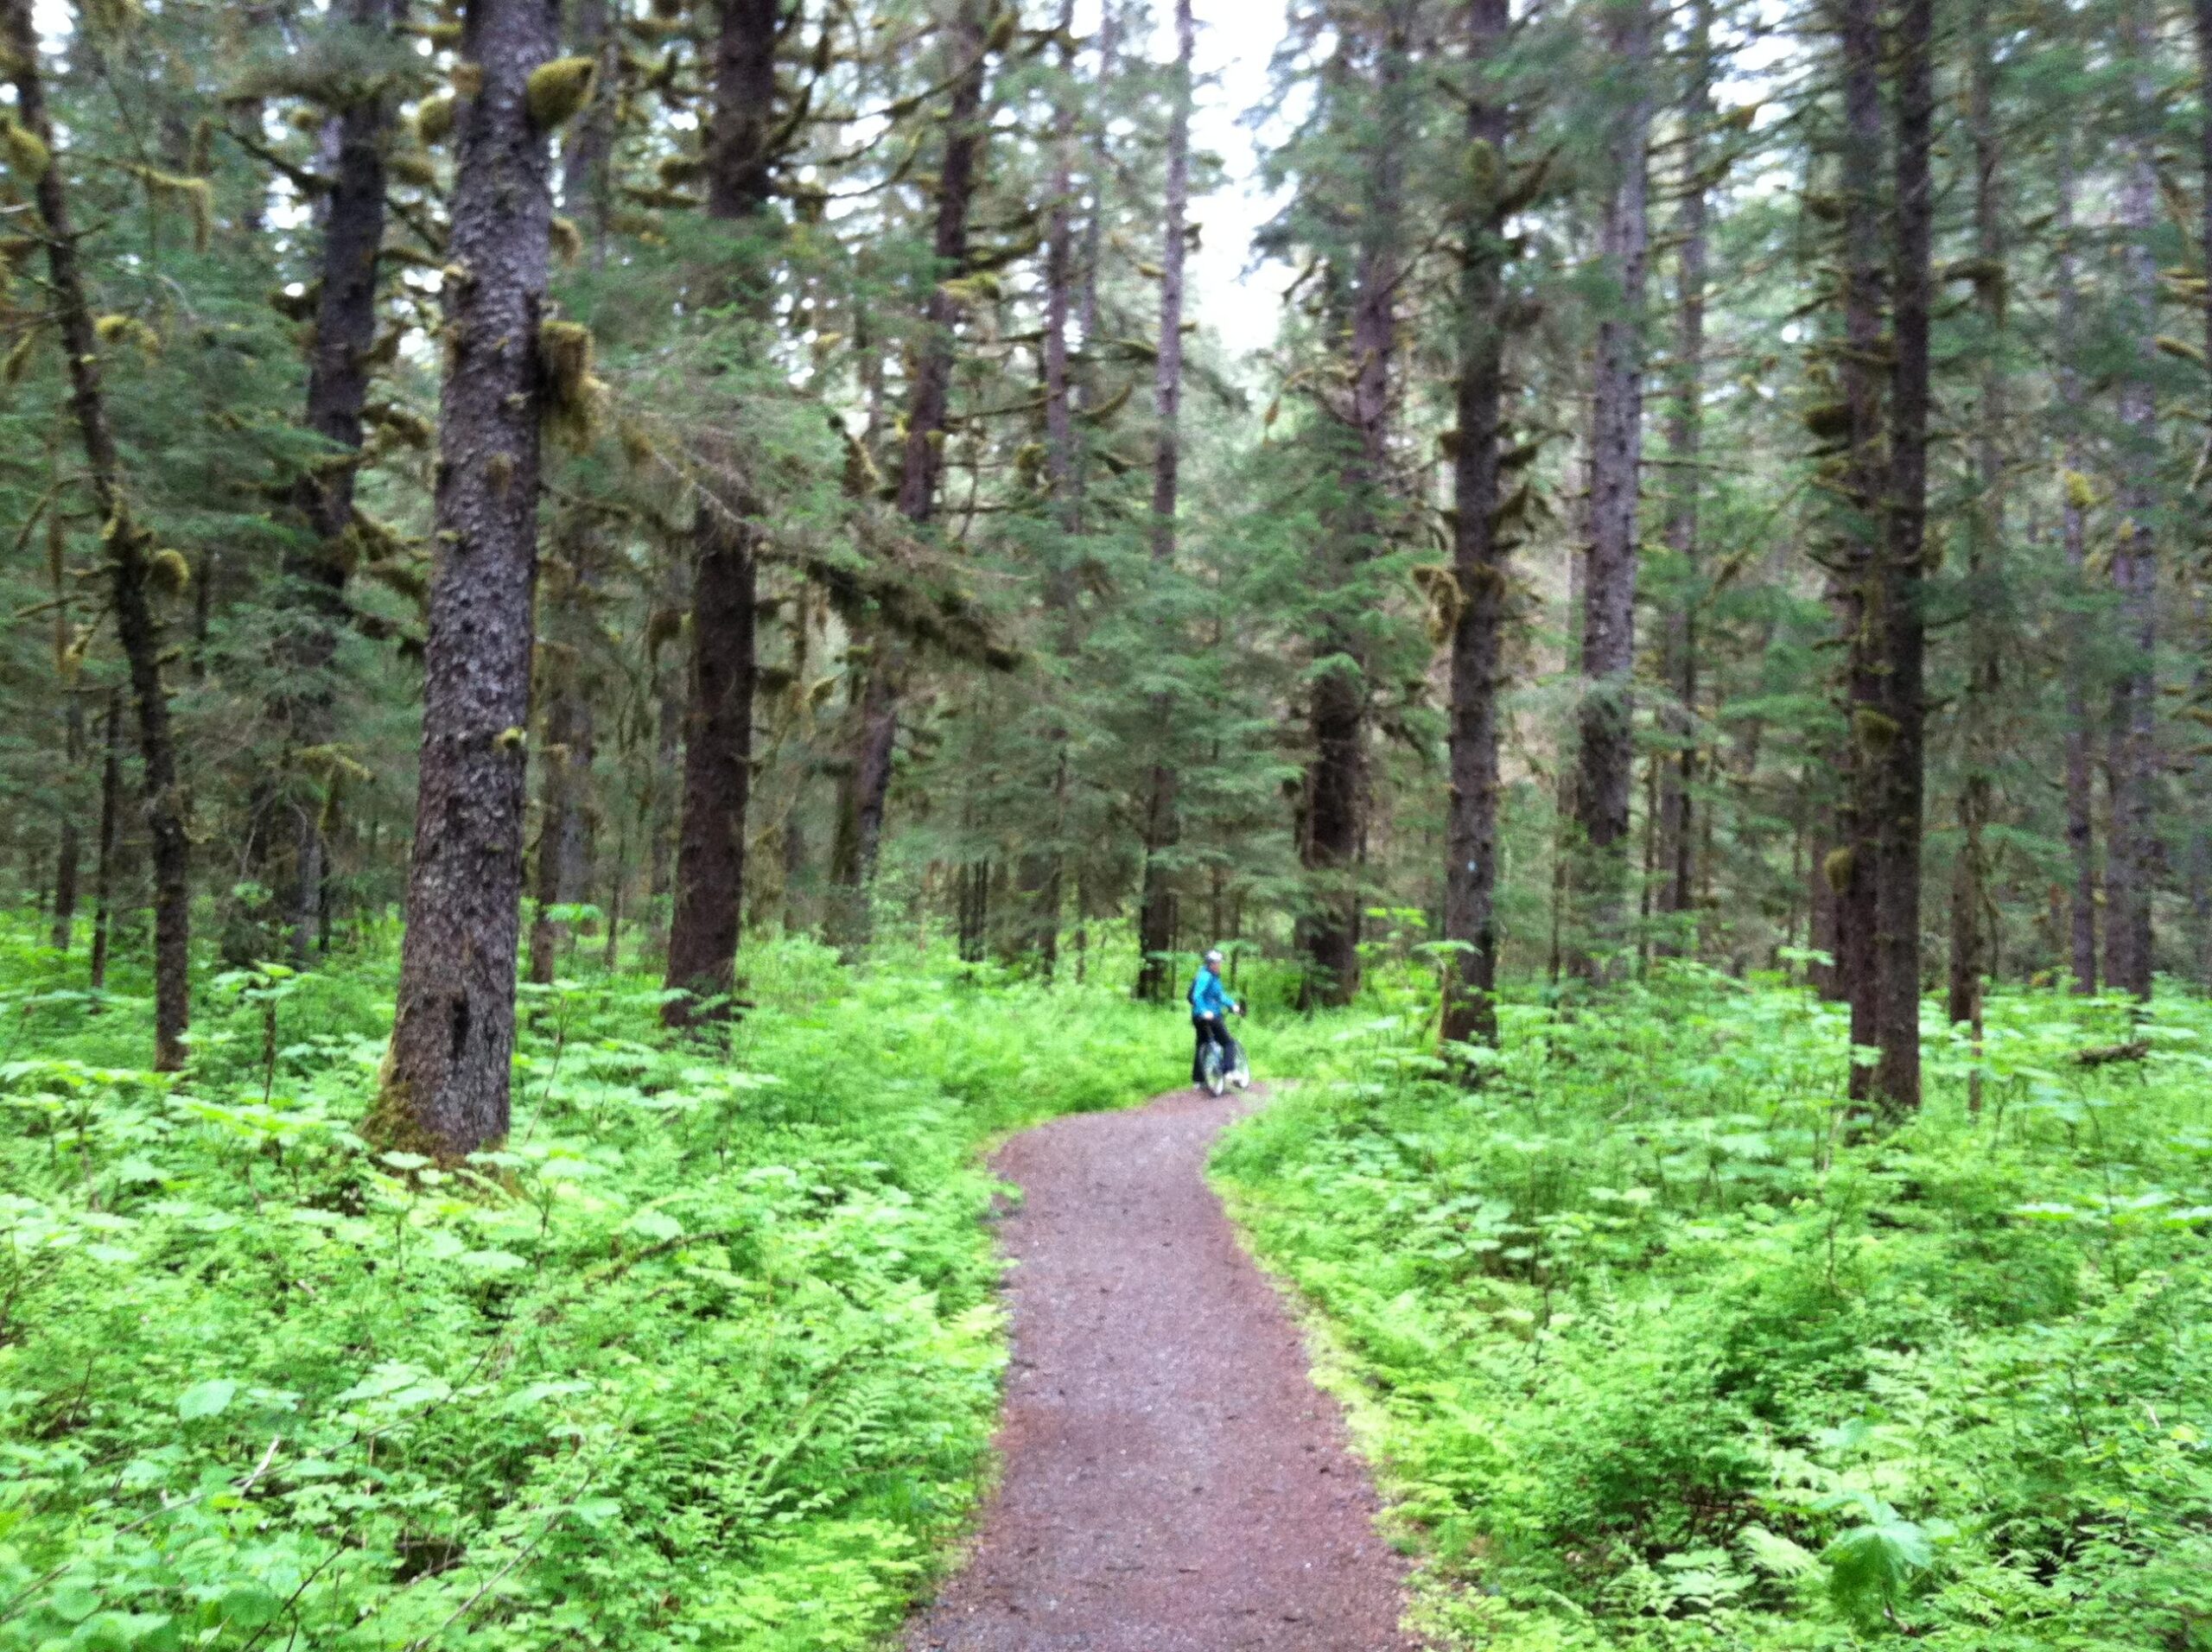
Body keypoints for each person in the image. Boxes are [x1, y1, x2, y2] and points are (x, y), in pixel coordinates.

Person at [1188, 949, 1243, 1091]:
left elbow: (1220, 996)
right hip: (1207, 1016)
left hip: (1200, 1016)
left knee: (1202, 1045)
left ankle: (1199, 1080)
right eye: (1215, 963)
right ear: (1209, 964)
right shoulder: (1206, 976)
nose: (1218, 965)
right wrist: (1204, 1011)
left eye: (1219, 962)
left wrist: (1232, 1005)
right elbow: (1197, 996)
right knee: (1228, 1042)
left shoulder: (1213, 977)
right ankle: (1229, 1070)